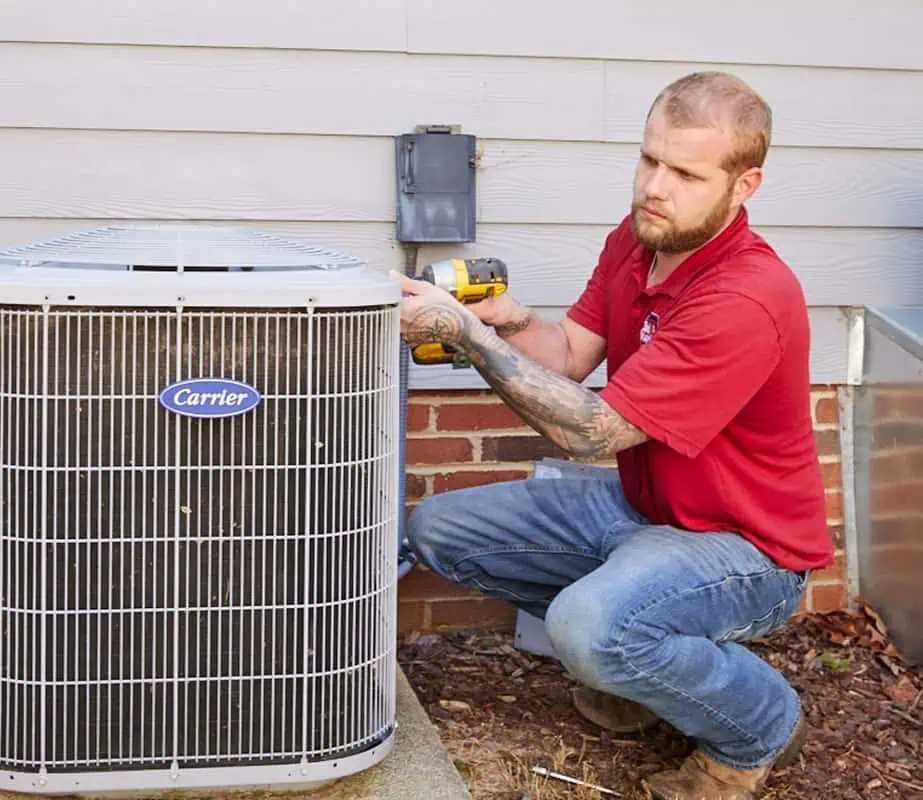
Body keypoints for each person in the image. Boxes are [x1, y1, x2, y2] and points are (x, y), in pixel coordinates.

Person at [395, 71, 834, 800]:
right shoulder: (635, 243)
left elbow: (593, 434)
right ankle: (642, 671)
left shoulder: (747, 296)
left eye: (685, 173)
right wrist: (510, 324)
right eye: (648, 159)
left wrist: (467, 336)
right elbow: (570, 355)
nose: (654, 187)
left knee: (590, 627)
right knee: (443, 528)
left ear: (743, 184)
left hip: (747, 548)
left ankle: (764, 724)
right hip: (642, 510)